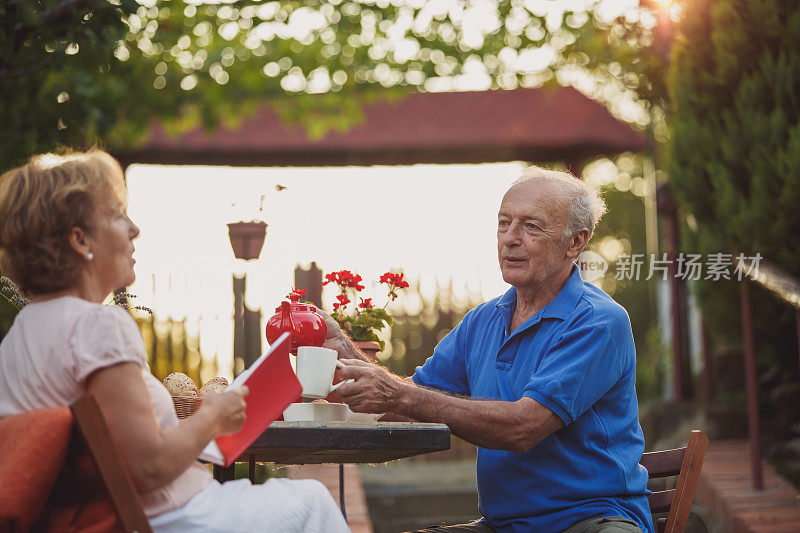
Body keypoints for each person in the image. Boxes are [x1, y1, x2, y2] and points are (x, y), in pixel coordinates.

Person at [0, 150, 349, 533]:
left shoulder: (17, 339)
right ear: (81, 240)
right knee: (313, 501)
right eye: (117, 214)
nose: (134, 229)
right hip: (176, 518)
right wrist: (214, 416)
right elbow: (148, 468)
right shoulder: (96, 327)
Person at [324, 166, 653, 533]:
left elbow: (523, 428)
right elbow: (409, 407)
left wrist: (398, 394)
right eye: (503, 223)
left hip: (592, 519)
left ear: (575, 243)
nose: (510, 239)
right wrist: (345, 354)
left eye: (531, 226)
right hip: (504, 525)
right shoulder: (482, 321)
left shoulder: (599, 321)